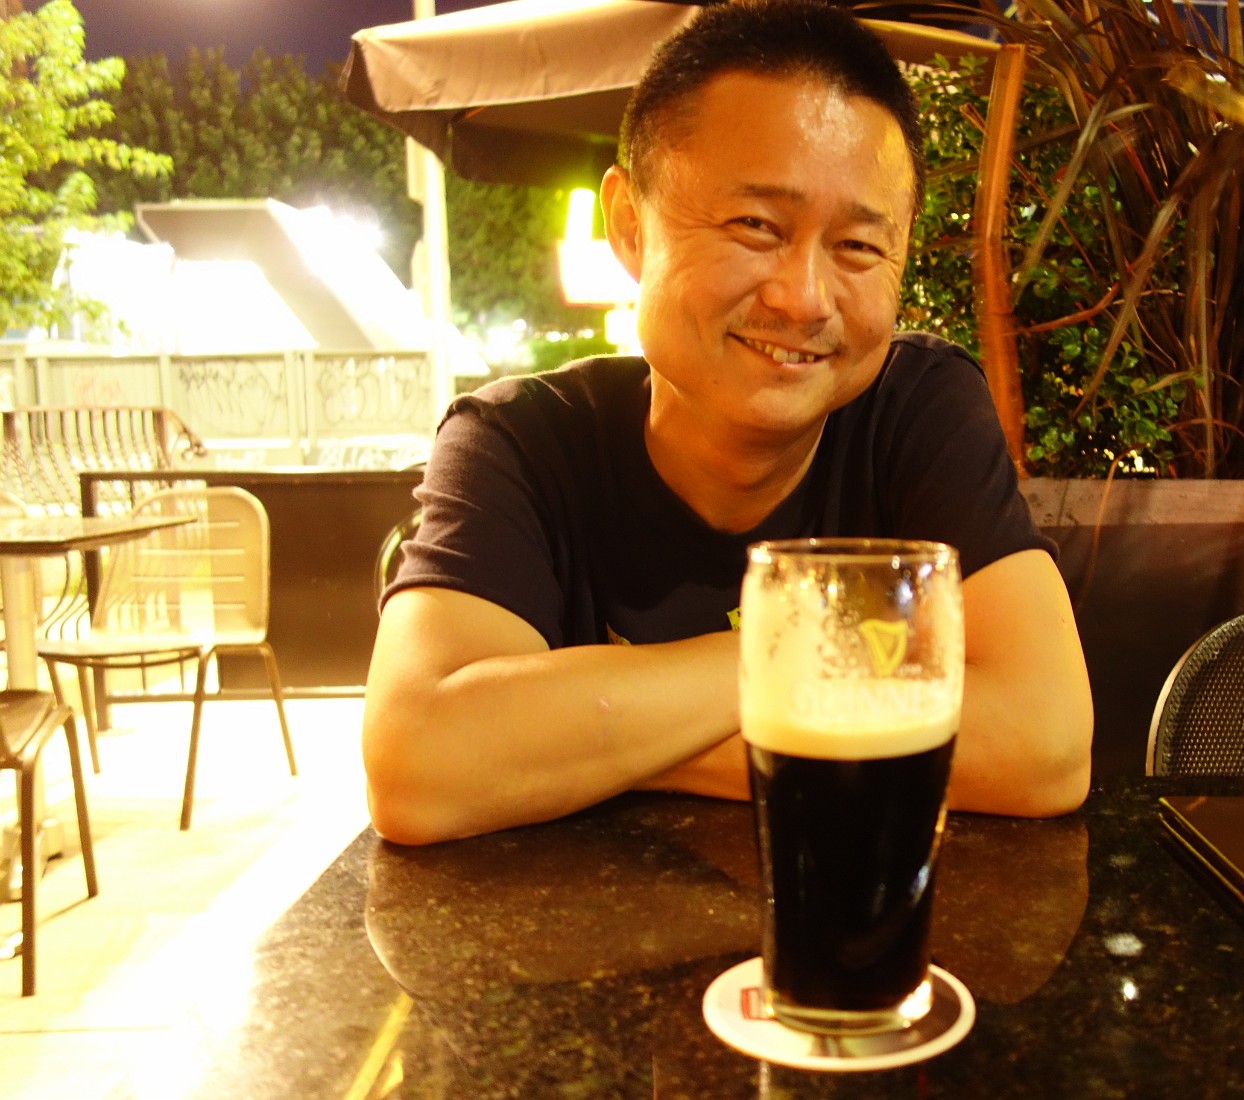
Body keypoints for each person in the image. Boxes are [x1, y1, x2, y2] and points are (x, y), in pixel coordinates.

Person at [363, 0, 1093, 845]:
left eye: (859, 246)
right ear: (630, 225)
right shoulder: (520, 443)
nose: (804, 298)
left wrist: (586, 747)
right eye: (756, 226)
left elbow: (1044, 743)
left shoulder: (916, 407)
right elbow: (421, 762)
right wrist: (813, 657)